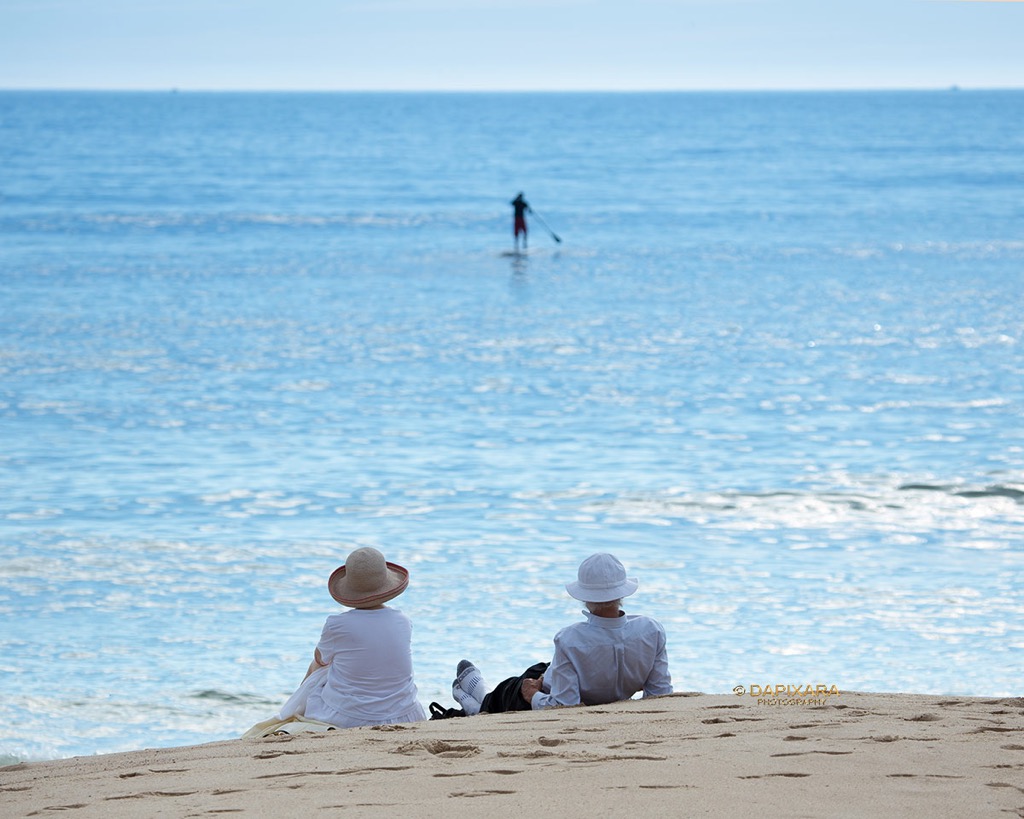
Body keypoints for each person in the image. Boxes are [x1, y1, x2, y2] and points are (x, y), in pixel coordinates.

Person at [439, 553, 672, 717]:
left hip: (549, 691)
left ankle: (474, 702)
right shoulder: (651, 630)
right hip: (565, 677)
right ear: (622, 592)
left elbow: (564, 706)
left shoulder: (571, 639)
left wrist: (532, 696)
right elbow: (660, 693)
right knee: (541, 669)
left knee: (509, 690)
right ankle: (479, 694)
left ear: (585, 597)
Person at [298, 547, 426, 728]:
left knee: (320, 669)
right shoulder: (403, 621)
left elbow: (320, 661)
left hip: (349, 717)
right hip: (405, 715)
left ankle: (294, 708)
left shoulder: (337, 624)